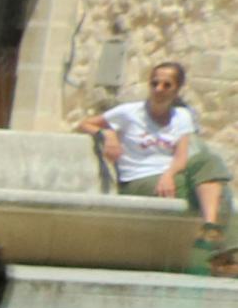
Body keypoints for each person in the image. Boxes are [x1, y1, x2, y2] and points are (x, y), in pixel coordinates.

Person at [79, 60, 236, 267]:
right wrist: (107, 134)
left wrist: (169, 174)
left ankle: (210, 231)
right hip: (138, 180)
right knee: (219, 194)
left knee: (209, 165)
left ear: (177, 89)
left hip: (169, 177)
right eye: (154, 83)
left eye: (166, 85)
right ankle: (217, 255)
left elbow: (181, 156)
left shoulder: (182, 116)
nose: (158, 89)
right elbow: (84, 123)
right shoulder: (129, 112)